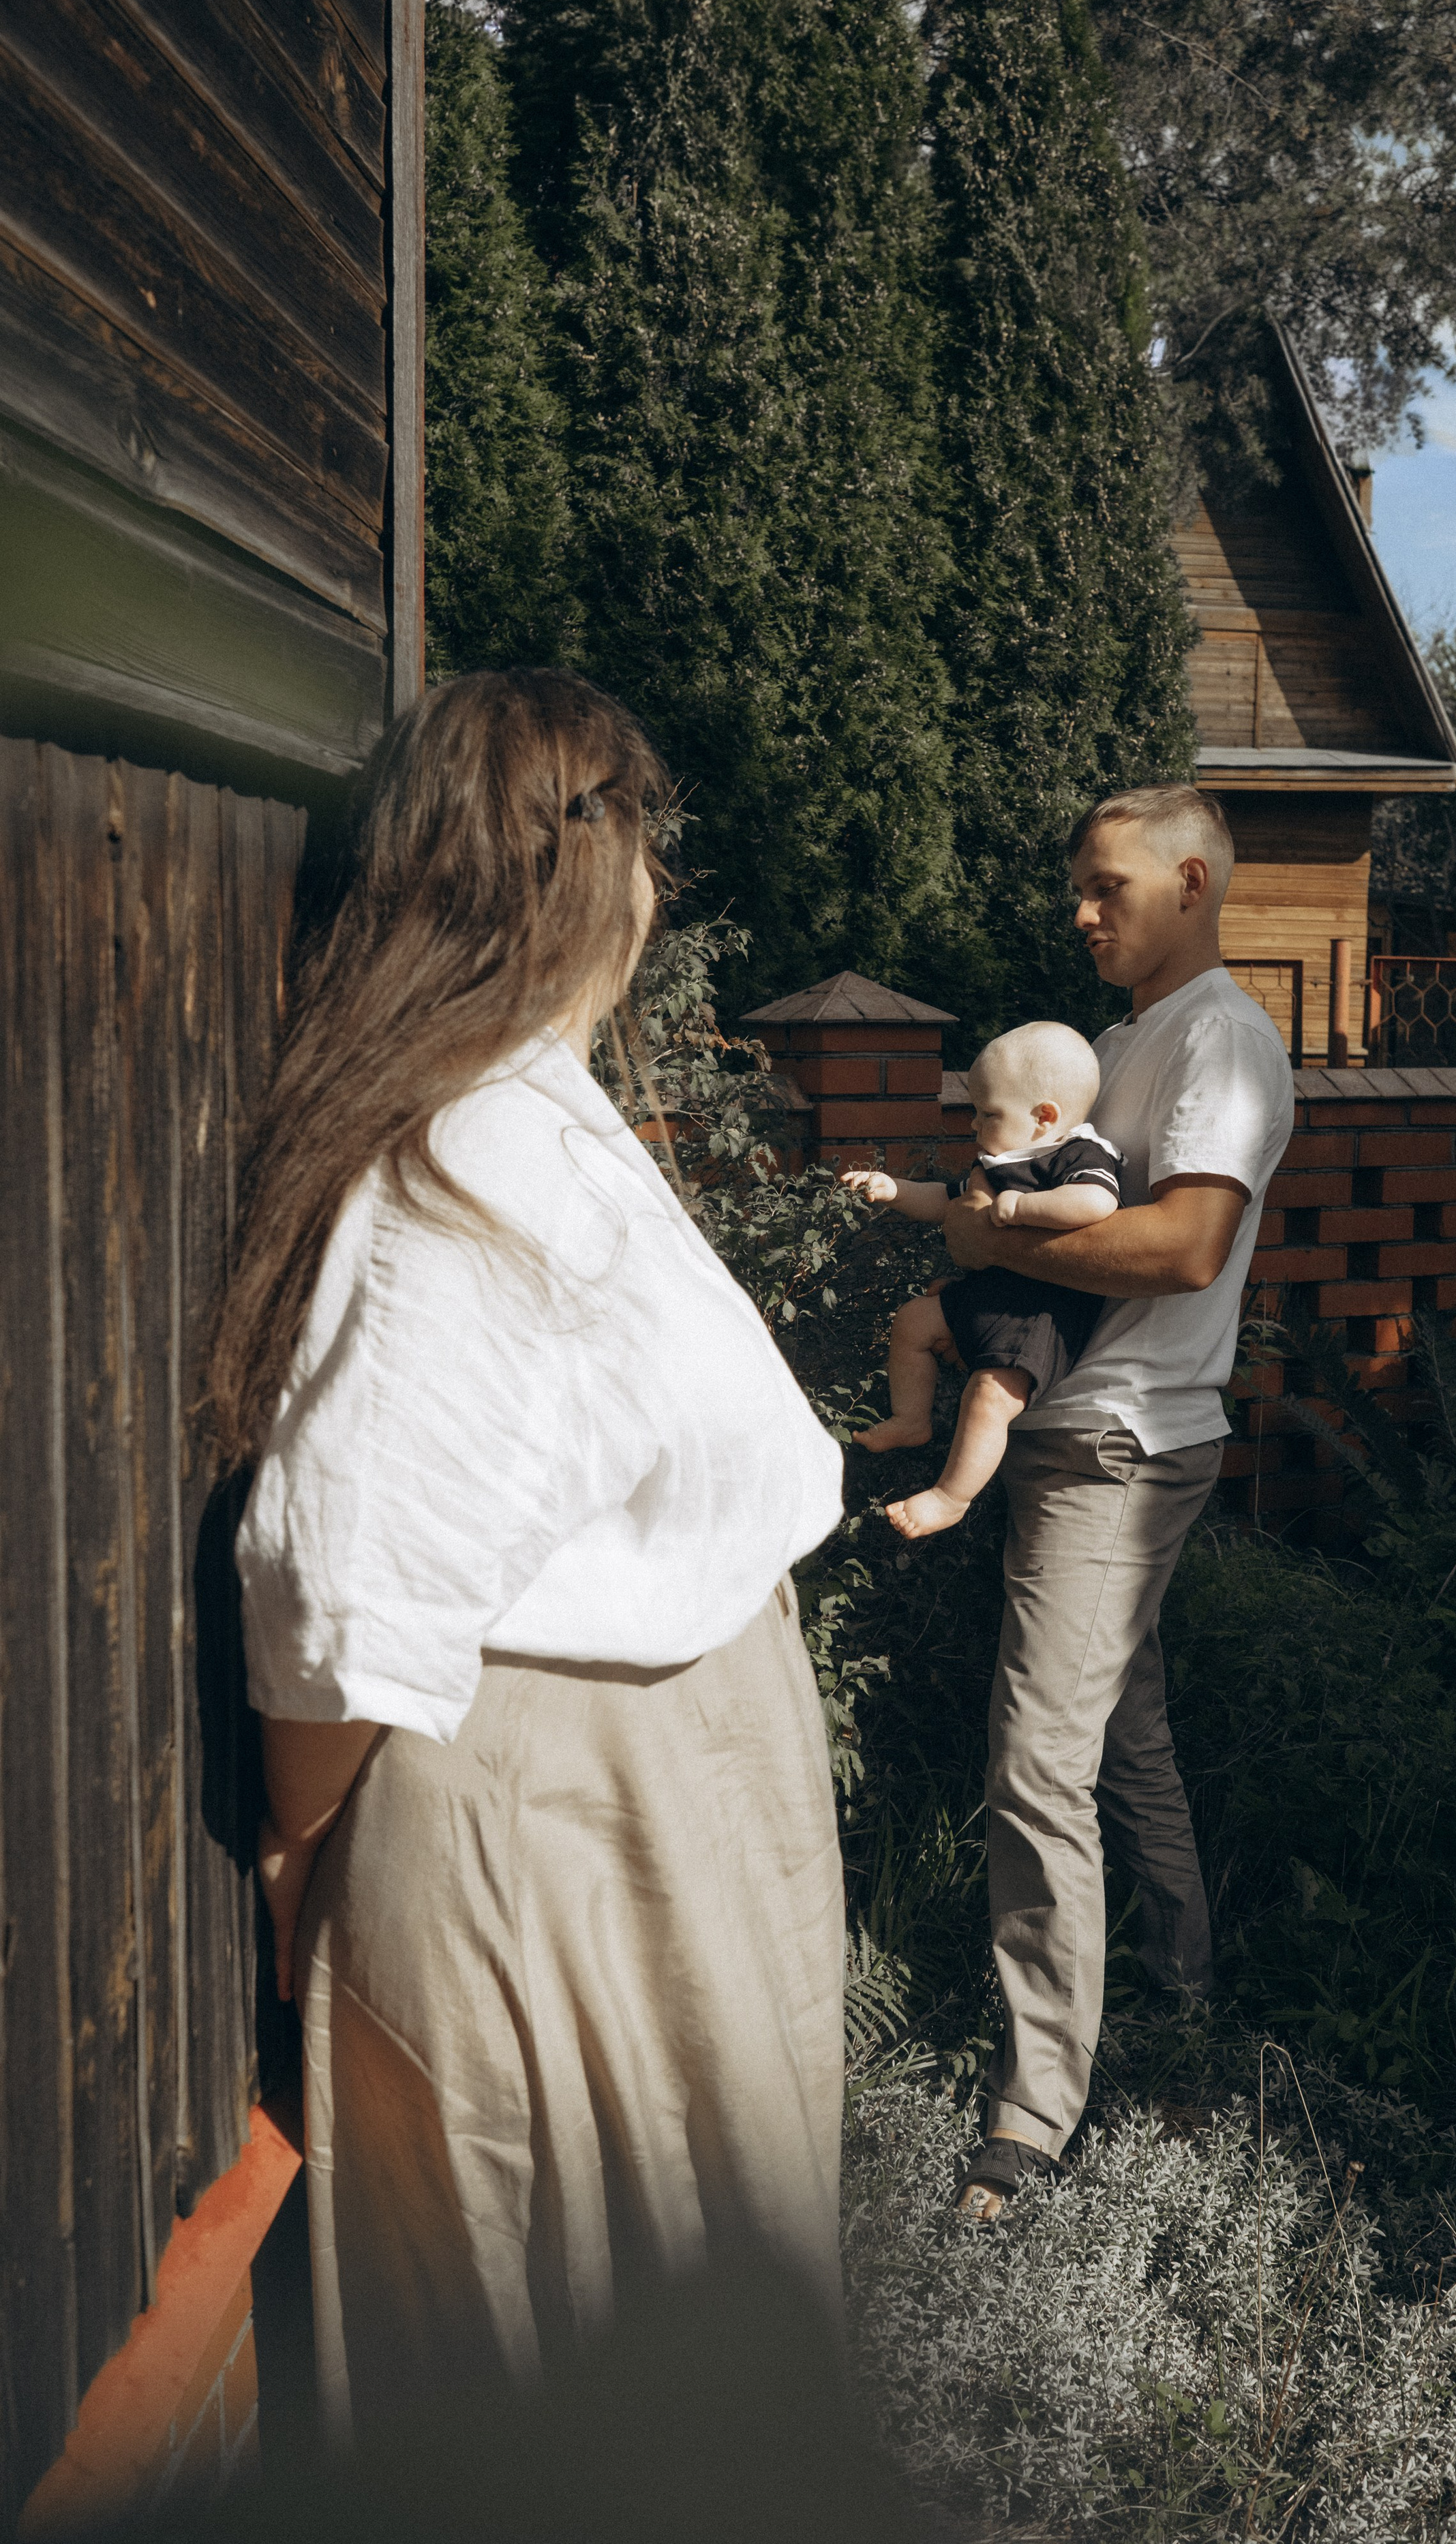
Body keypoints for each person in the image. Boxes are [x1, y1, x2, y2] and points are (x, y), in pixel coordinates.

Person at [204, 671, 847, 2435]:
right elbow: (347, 1574)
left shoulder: (523, 1118)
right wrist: (296, 1852)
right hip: (564, 1845)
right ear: (603, 865)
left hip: (657, 1818)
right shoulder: (458, 1168)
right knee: (572, 2386)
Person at [939, 785, 1294, 2220]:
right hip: (1079, 1431)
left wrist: (987, 1230)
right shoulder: (1107, 1047)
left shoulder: (1221, 1042)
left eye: (1106, 888)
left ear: (1191, 879)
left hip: (1122, 1449)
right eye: (1075, 889)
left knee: (1035, 1759)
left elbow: (1187, 1245)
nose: (1079, 912)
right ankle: (1178, 1988)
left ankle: (1031, 2117)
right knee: (1119, 1734)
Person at [841, 1022, 1121, 1539]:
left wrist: (1027, 1206)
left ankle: (952, 1496)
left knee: (989, 1397)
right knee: (913, 1321)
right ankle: (911, 1419)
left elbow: (1098, 1203)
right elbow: (946, 1199)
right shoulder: (1002, 1159)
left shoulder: (1078, 1156)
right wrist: (894, 1188)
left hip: (1038, 1316)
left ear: (1045, 1118)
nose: (974, 1125)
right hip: (992, 1292)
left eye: (988, 1114)